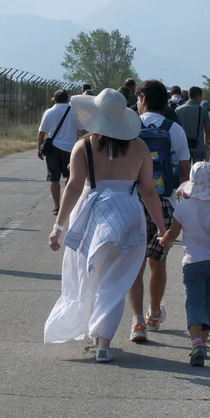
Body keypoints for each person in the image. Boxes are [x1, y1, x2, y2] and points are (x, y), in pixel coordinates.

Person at [45, 88, 166, 363]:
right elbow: (148, 190)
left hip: (91, 213)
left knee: (88, 274)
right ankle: (103, 342)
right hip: (128, 214)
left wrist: (58, 226)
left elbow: (74, 187)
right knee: (116, 280)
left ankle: (90, 327)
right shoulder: (139, 147)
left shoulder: (83, 146)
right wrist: (161, 227)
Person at [129, 80, 191, 342]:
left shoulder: (129, 127)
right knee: (158, 262)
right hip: (164, 202)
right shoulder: (174, 129)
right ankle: (154, 313)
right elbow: (186, 171)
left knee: (134, 264)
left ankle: (137, 322)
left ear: (142, 98)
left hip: (133, 201)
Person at [159, 162, 210, 367]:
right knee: (208, 301)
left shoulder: (183, 207)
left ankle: (196, 342)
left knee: (193, 302)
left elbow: (172, 234)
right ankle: (204, 341)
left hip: (192, 263)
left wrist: (164, 241)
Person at [37, 90, 84, 215]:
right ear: (67, 98)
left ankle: (57, 206)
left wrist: (39, 148)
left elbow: (41, 132)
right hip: (71, 149)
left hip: (53, 149)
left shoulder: (49, 112)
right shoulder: (75, 111)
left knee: (54, 178)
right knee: (70, 177)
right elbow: (83, 131)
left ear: (55, 99)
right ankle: (66, 203)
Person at [176, 86, 210, 164]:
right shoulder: (203, 110)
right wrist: (206, 144)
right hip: (199, 146)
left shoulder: (178, 110)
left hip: (183, 146)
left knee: (184, 172)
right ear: (198, 96)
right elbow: (207, 130)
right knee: (198, 172)